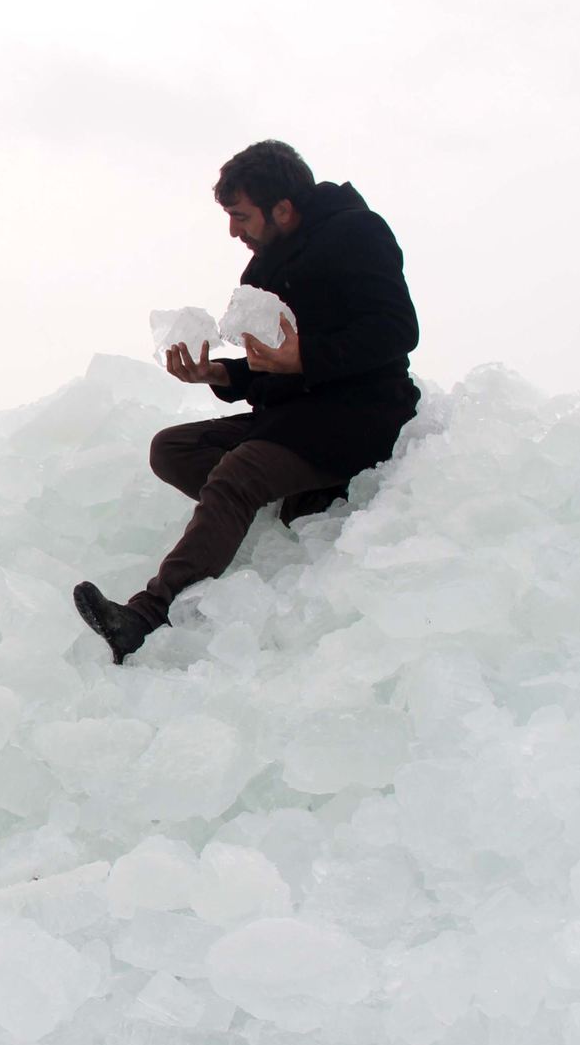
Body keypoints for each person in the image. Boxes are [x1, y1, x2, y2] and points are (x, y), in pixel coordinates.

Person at [74, 141, 420, 663]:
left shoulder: (356, 232)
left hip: (362, 417)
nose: (234, 232)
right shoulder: (262, 271)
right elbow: (269, 370)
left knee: (239, 474)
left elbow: (398, 330)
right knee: (173, 449)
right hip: (294, 418)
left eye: (240, 216)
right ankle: (302, 502)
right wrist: (218, 372)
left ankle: (146, 618)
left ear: (283, 208)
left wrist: (307, 356)